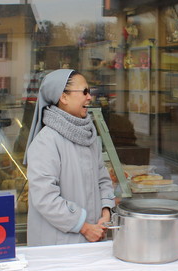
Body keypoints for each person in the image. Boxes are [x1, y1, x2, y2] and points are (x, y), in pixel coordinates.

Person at [23, 69, 116, 246]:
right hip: (58, 245)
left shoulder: (88, 136)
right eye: (84, 92)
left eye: (90, 92)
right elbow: (45, 197)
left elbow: (102, 178)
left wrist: (106, 210)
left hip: (94, 237)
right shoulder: (46, 141)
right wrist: (83, 226)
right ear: (63, 97)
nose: (90, 97)